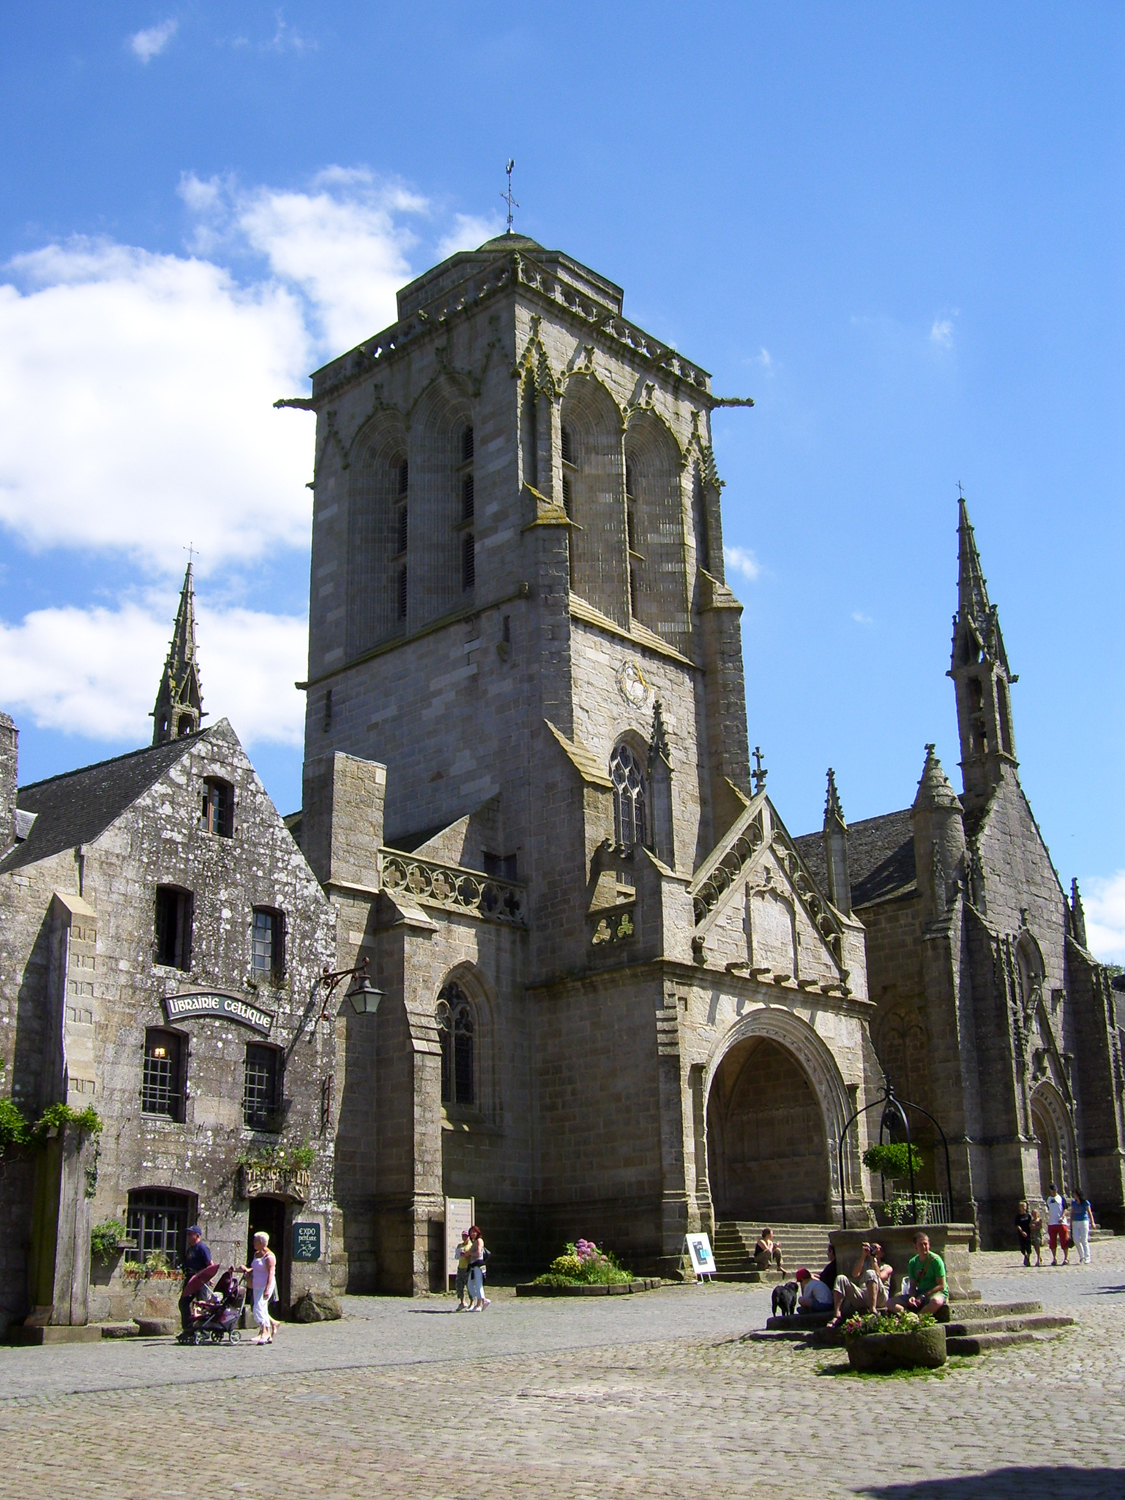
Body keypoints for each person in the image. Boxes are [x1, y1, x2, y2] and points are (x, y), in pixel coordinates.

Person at [827, 1241, 891, 1327]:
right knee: (840, 1278)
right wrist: (863, 1256)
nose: (874, 1249)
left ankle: (873, 1311)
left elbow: (880, 1277)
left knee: (871, 1273)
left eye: (877, 1248)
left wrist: (873, 1259)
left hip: (880, 1297)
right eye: (872, 1247)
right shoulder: (864, 1264)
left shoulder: (887, 1267)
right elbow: (855, 1274)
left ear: (882, 1253)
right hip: (863, 1296)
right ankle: (837, 1315)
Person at [891, 1231, 947, 1317]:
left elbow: (941, 1285)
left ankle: (918, 1318)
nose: (924, 1247)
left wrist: (924, 1296)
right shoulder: (912, 1262)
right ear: (915, 1246)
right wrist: (912, 1297)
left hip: (935, 1292)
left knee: (936, 1301)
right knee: (890, 1303)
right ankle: (909, 1316)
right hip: (920, 1292)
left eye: (926, 1244)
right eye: (921, 1244)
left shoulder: (936, 1261)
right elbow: (912, 1285)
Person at [240, 1230, 279, 1343]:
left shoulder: (269, 1257)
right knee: (258, 1307)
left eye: (255, 1241)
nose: (253, 1243)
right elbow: (256, 1268)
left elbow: (271, 1273)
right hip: (256, 1284)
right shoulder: (256, 1254)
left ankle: (266, 1332)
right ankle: (268, 1328)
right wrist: (246, 1270)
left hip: (265, 1285)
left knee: (259, 1307)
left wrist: (267, 1289)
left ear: (261, 1242)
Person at [178, 1225, 217, 1335]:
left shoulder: (202, 1248)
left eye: (191, 1234)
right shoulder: (190, 1249)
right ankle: (188, 1328)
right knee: (183, 1303)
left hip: (200, 1280)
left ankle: (203, 1329)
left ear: (197, 1236)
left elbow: (210, 1266)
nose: (188, 1237)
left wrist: (207, 1278)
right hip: (190, 1278)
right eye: (188, 1234)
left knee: (202, 1305)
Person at [466, 1225, 490, 1311]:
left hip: (478, 1265)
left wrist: (469, 1253)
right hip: (473, 1266)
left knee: (478, 1284)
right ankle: (480, 1301)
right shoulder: (474, 1241)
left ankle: (483, 1300)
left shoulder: (479, 1241)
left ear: (477, 1233)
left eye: (474, 1232)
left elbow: (478, 1253)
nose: (473, 1234)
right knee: (470, 1284)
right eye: (471, 1232)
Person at [1046, 1185, 1070, 1265]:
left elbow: (1066, 1209)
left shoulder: (1061, 1198)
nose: (1053, 1192)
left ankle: (1066, 1258)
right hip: (1052, 1223)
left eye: (1055, 1190)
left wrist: (1062, 1217)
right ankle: (1054, 1258)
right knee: (1052, 1242)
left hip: (1061, 1223)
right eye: (1052, 1190)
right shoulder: (1048, 1199)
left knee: (1064, 1241)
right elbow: (1048, 1209)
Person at [1070, 1191, 1095, 1265]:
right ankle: (1082, 1256)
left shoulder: (1085, 1202)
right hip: (1075, 1222)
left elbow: (1089, 1212)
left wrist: (1092, 1222)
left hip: (1083, 1221)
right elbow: (1072, 1213)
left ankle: (1087, 1257)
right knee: (1076, 1240)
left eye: (1074, 1194)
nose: (1073, 1196)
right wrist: (1071, 1223)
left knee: (1084, 1240)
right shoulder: (1073, 1203)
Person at [454, 1229, 472, 1309]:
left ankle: (472, 1302)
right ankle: (462, 1302)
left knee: (469, 1286)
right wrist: (459, 1253)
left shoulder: (471, 1246)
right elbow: (456, 1256)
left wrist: (467, 1255)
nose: (464, 1237)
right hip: (460, 1267)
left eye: (466, 1236)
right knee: (459, 1285)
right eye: (463, 1236)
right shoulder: (459, 1245)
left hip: (467, 1268)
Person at [1015, 1201, 1033, 1266]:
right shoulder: (1018, 1216)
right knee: (1022, 1247)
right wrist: (1022, 1231)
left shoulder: (1028, 1216)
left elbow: (1030, 1223)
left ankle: (1028, 1258)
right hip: (1021, 1233)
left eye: (1025, 1206)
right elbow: (1017, 1225)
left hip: (1028, 1232)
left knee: (1028, 1246)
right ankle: (1025, 1255)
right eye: (1023, 1206)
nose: (1024, 1208)